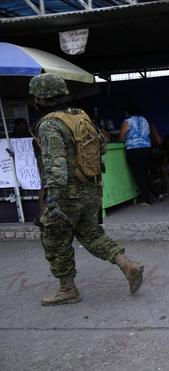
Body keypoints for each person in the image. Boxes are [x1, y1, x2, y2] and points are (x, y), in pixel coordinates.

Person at [28, 73, 144, 305]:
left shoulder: (50, 125)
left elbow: (55, 165)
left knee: (55, 238)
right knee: (91, 234)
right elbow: (101, 147)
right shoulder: (80, 117)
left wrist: (52, 202)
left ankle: (67, 290)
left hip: (66, 194)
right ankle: (128, 265)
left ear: (41, 97)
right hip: (90, 189)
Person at [119, 102, 157, 205]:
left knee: (139, 175)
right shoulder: (144, 120)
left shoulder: (127, 122)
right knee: (146, 172)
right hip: (147, 149)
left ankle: (147, 200)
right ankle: (158, 194)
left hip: (134, 150)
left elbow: (122, 138)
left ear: (127, 112)